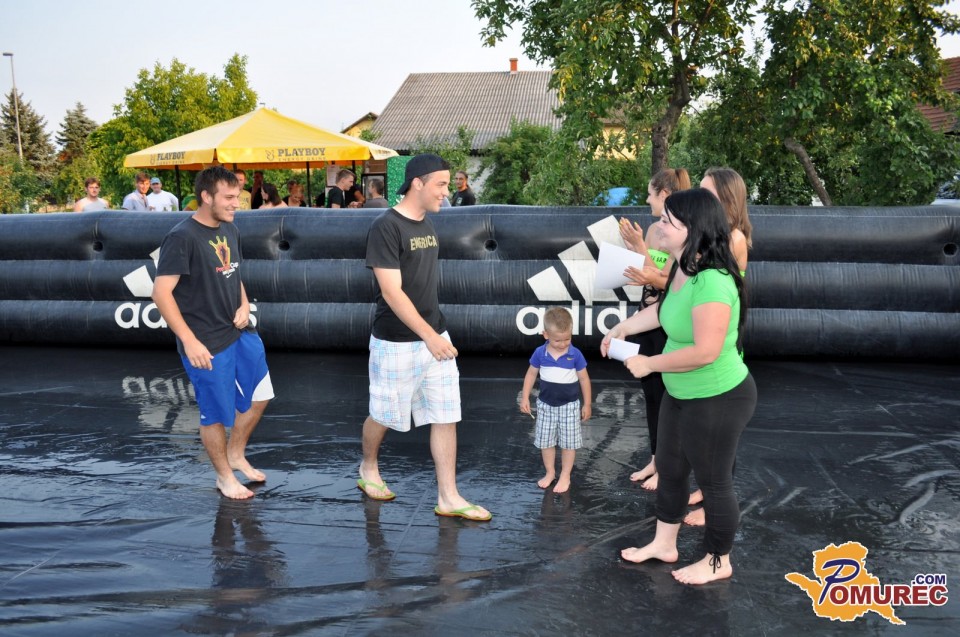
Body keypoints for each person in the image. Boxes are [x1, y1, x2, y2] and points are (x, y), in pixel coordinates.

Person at [601, 188, 756, 585]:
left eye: (667, 221)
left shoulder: (714, 282)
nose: (659, 226)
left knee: (714, 483)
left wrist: (649, 363)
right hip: (681, 392)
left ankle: (718, 561)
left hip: (718, 397)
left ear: (692, 228)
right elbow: (664, 310)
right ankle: (664, 544)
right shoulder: (683, 267)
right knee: (670, 469)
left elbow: (705, 351)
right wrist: (623, 327)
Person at [358, 153, 491, 522]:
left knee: (445, 415)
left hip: (434, 335)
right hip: (396, 342)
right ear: (417, 183)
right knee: (383, 415)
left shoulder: (428, 225)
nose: (446, 192)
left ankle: (448, 496)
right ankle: (368, 466)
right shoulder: (386, 227)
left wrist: (434, 335)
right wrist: (429, 336)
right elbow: (392, 292)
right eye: (441, 184)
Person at [152, 166, 274, 500]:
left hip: (240, 331)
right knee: (215, 415)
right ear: (206, 197)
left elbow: (234, 274)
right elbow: (161, 293)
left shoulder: (230, 228)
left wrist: (244, 304)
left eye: (238, 197)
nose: (237, 203)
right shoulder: (182, 237)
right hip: (206, 342)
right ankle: (224, 477)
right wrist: (189, 341)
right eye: (229, 197)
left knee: (261, 395)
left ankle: (236, 454)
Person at [683, 166, 753, 526]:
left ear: (726, 198)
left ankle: (714, 502)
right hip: (713, 334)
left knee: (719, 431)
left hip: (723, 340)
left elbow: (720, 290)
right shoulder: (712, 232)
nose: (701, 196)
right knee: (705, 427)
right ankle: (707, 487)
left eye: (707, 191)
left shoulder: (734, 238)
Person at [618, 168, 691, 492]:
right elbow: (646, 277)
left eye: (650, 193)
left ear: (664, 194)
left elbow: (667, 283)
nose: (647, 199)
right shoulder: (652, 229)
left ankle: (669, 465)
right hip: (647, 317)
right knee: (650, 397)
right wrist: (632, 250)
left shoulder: (683, 234)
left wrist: (640, 248)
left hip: (667, 322)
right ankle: (655, 458)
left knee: (667, 399)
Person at [519, 306, 592, 494]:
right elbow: (531, 374)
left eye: (567, 339)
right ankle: (550, 472)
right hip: (545, 406)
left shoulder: (575, 354)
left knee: (569, 443)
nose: (563, 344)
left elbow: (584, 379)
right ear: (545, 335)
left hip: (569, 407)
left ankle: (565, 475)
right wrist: (525, 396)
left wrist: (587, 404)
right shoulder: (540, 353)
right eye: (557, 340)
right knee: (546, 442)